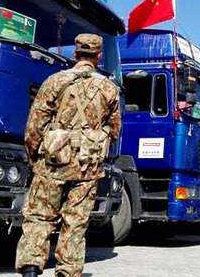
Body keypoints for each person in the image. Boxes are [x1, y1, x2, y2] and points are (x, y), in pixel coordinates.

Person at [15, 34, 121, 277]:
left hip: (53, 161)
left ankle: (31, 268)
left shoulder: (55, 81)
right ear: (99, 56)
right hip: (87, 165)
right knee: (75, 222)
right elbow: (114, 130)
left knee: (40, 216)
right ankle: (67, 272)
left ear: (75, 54)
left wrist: (35, 157)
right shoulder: (109, 88)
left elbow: (35, 126)